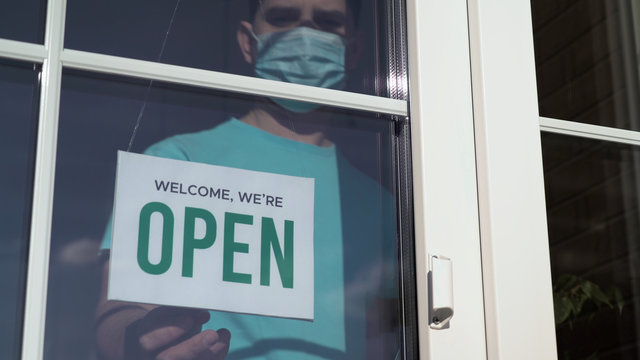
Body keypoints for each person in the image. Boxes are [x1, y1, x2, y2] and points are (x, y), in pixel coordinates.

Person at [95, 0, 398, 359]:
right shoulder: (178, 162)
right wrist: (139, 342)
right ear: (248, 41)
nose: (305, 35)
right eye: (283, 18)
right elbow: (118, 312)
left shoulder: (380, 205)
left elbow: (385, 339)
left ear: (355, 49)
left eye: (326, 22)